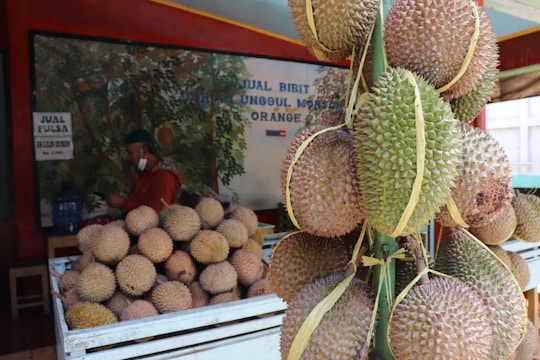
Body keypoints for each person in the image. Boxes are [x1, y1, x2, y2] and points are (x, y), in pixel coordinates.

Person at [106, 128, 182, 214]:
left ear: (144, 150)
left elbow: (157, 213)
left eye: (130, 153)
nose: (127, 158)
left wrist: (123, 203)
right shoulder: (145, 172)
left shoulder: (164, 176)